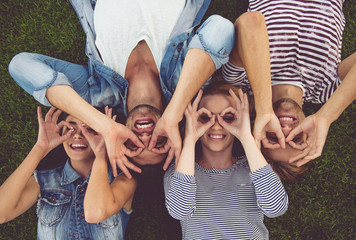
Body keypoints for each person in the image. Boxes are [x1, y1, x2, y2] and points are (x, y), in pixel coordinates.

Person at [8, 0, 235, 178]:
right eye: (158, 142)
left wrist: (105, 127)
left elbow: (21, 65)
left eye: (133, 144)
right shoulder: (186, 82)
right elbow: (220, 30)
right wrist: (173, 114)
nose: (146, 137)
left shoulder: (97, 91)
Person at [221, 0, 356, 180]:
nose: (285, 129)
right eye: (296, 138)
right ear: (308, 135)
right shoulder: (326, 89)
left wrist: (264, 109)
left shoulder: (243, 79)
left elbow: (251, 21)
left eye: (274, 137)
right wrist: (326, 116)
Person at [164, 82, 288, 239]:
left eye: (228, 118)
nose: (216, 126)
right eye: (205, 117)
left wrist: (245, 136)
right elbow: (180, 210)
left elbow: (276, 208)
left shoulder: (254, 168)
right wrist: (190, 138)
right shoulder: (180, 172)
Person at [0, 107, 136, 240]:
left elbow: (95, 213)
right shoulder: (45, 181)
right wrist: (40, 149)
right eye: (71, 127)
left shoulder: (123, 179)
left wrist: (101, 156)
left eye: (88, 129)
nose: (77, 134)